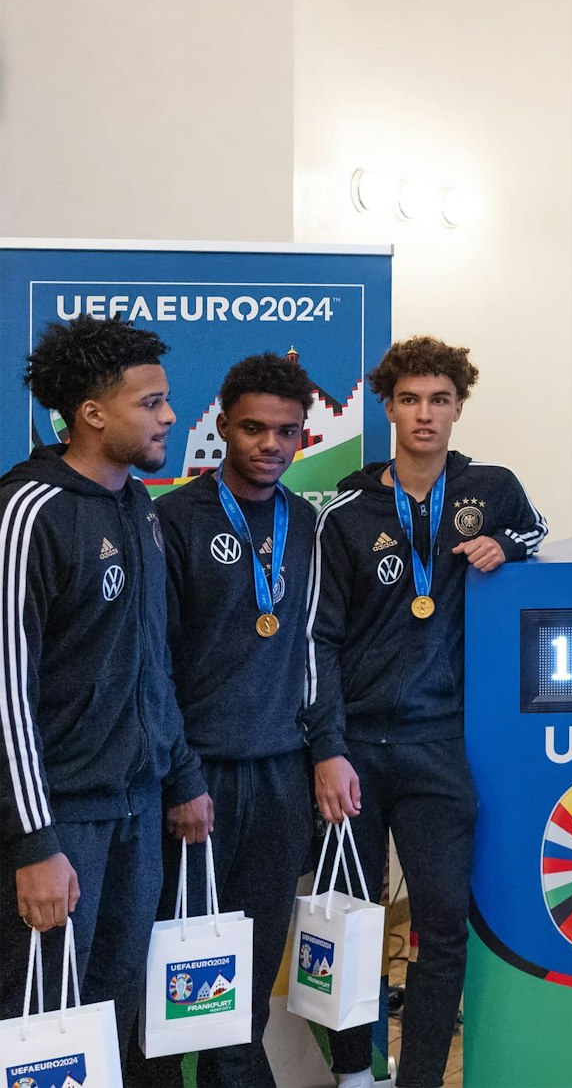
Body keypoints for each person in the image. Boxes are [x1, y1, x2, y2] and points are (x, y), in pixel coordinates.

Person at [306, 336, 546, 1088]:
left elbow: (538, 534)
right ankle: (353, 1072)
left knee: (443, 922)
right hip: (354, 748)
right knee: (351, 915)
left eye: (439, 399)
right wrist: (325, 745)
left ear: (458, 406)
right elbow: (318, 634)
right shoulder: (346, 507)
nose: (425, 415)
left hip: (442, 741)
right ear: (387, 407)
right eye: (409, 399)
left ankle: (417, 1079)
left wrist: (504, 544)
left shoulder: (493, 487)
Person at [0, 316, 211, 1072]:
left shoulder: (141, 507)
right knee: (39, 1031)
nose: (169, 417)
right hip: (60, 824)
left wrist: (181, 774)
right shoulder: (28, 514)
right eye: (150, 403)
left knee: (111, 1020)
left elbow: (155, 659)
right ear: (92, 414)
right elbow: (4, 693)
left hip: (139, 809)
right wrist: (34, 844)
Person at [134, 353, 322, 1087]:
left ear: (304, 436)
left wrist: (326, 751)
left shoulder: (308, 523)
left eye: (287, 432)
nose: (270, 444)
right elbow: (153, 665)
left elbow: (314, 648)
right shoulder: (171, 518)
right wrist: (181, 777)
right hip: (192, 780)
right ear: (221, 427)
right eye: (253, 428)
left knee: (241, 994)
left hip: (280, 777)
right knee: (171, 980)